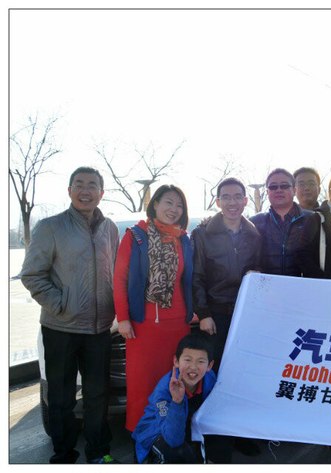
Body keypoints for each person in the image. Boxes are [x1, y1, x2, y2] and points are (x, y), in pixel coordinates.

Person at [21, 166, 119, 464]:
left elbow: (117, 273)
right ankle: (64, 455)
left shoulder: (110, 229)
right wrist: (61, 305)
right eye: (79, 184)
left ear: (101, 193)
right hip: (60, 328)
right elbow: (32, 275)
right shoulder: (50, 227)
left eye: (92, 185)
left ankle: (99, 452)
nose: (85, 190)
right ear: (69, 190)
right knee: (61, 398)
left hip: (100, 329)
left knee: (97, 395)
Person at [114, 184, 194, 434]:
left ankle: (172, 432)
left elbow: (189, 280)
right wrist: (123, 318)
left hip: (178, 325)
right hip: (144, 325)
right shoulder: (136, 236)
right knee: (143, 383)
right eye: (168, 202)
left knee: (175, 380)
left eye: (179, 205)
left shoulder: (184, 239)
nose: (174, 209)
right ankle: (142, 434)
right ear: (155, 204)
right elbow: (120, 279)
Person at [191, 177, 261, 373]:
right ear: (218, 202)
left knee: (242, 366)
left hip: (244, 313)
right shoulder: (202, 234)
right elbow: (197, 276)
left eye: (238, 197)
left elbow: (258, 270)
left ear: (245, 201)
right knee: (215, 365)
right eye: (226, 197)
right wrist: (204, 314)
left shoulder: (254, 234)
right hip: (216, 314)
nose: (232, 203)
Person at [132, 333, 216, 463]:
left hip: (188, 427)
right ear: (176, 361)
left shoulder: (210, 379)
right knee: (178, 453)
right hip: (157, 433)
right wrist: (177, 401)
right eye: (187, 360)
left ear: (209, 366)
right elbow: (173, 439)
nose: (193, 367)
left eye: (200, 361)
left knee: (221, 441)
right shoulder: (165, 390)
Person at [250, 168, 321, 277]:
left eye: (284, 186)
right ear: (267, 192)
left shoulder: (313, 219)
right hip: (267, 285)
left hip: (304, 285)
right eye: (273, 187)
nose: (279, 190)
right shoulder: (255, 222)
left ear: (294, 190)